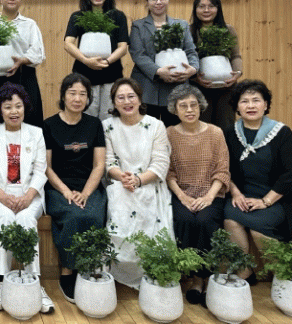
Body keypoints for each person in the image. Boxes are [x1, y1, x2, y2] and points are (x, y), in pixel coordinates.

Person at [0, 82, 54, 314]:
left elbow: (41, 170)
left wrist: (29, 195)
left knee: (25, 219)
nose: (14, 111)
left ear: (25, 108)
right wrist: (3, 196)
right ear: (0, 110)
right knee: (4, 219)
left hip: (30, 193)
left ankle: (35, 282)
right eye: (8, 106)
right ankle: (2, 281)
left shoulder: (36, 133)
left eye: (18, 106)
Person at [103, 77, 173, 289]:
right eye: (120, 98)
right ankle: (119, 273)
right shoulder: (107, 126)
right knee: (119, 205)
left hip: (149, 182)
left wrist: (139, 180)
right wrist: (122, 177)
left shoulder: (156, 125)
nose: (127, 102)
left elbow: (161, 162)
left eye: (131, 96)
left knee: (149, 209)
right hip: (120, 182)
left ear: (140, 99)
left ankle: (151, 274)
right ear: (114, 102)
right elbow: (108, 161)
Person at [43, 73, 107, 303]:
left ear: (88, 98)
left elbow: (99, 164)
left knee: (93, 215)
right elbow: (46, 167)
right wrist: (66, 191)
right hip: (58, 188)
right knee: (72, 216)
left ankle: (88, 268)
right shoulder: (49, 125)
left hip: (89, 187)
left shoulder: (94, 124)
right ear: (63, 96)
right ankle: (67, 272)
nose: (77, 98)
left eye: (83, 94)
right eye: (72, 93)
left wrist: (86, 193)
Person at [165, 84, 230, 306]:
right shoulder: (169, 134)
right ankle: (192, 276)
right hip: (181, 194)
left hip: (211, 195)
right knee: (184, 219)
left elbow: (222, 170)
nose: (189, 109)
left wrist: (209, 197)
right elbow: (168, 172)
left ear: (201, 106)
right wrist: (183, 197)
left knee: (204, 220)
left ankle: (204, 278)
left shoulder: (215, 133)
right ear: (175, 109)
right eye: (183, 106)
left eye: (193, 105)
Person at [224, 79, 292, 283]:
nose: (251, 105)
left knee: (258, 229)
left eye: (256, 100)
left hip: (276, 198)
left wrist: (265, 201)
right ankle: (244, 271)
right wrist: (235, 193)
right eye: (244, 101)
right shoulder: (229, 133)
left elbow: (289, 173)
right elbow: (223, 169)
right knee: (230, 219)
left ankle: (283, 274)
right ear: (237, 107)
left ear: (266, 104)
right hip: (242, 195)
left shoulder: (282, 133)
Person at [129, 0, 198, 127]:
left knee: (175, 132)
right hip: (146, 88)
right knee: (145, 132)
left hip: (176, 87)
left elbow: (191, 51)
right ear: (147, 1)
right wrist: (158, 71)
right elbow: (138, 54)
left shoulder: (182, 25)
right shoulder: (138, 26)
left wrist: (193, 68)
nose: (158, 2)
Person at [64, 0, 130, 120]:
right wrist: (86, 61)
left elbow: (123, 47)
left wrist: (107, 61)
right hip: (84, 75)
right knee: (86, 117)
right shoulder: (78, 16)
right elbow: (68, 43)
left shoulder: (118, 16)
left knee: (109, 118)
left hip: (112, 74)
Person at [0, 0, 45, 130]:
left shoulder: (30, 24)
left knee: (29, 120)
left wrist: (21, 60)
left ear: (21, 0)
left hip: (25, 76)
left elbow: (38, 52)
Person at [190, 0, 243, 130]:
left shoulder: (228, 30)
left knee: (226, 126)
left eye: (211, 6)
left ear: (218, 8)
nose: (206, 10)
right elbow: (186, 59)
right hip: (199, 88)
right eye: (201, 6)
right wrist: (195, 78)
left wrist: (237, 73)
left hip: (227, 87)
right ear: (195, 9)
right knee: (202, 126)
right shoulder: (189, 31)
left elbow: (236, 55)